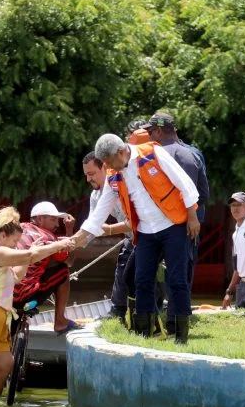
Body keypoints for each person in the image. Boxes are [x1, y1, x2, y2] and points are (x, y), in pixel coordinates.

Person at [72, 134, 200, 344]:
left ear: (121, 152)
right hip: (146, 231)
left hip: (173, 224)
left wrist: (192, 217)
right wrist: (78, 238)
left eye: (111, 162)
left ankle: (181, 336)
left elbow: (183, 182)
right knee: (141, 281)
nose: (110, 167)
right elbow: (99, 212)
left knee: (177, 280)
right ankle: (145, 333)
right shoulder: (114, 174)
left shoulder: (152, 154)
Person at [0, 206, 74, 407]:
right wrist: (56, 245)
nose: (17, 246)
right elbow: (28, 256)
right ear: (2, 235)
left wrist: (33, 251)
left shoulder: (6, 257)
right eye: (14, 242)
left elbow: (18, 275)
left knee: (5, 364)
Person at [142, 112, 210, 333]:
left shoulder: (151, 155)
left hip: (154, 227)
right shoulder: (195, 154)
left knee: (146, 274)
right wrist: (195, 222)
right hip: (186, 226)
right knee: (181, 276)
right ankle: (176, 323)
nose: (149, 136)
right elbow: (203, 193)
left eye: (151, 132)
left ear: (160, 131)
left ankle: (151, 322)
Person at [12, 202, 80, 335]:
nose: (57, 224)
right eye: (53, 219)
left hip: (5, 293)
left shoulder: (19, 228)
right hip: (23, 297)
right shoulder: (48, 238)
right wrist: (69, 231)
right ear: (39, 219)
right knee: (62, 270)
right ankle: (60, 321)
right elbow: (69, 261)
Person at [82, 151, 133, 326]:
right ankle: (118, 311)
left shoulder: (124, 184)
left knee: (140, 273)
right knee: (122, 266)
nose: (88, 179)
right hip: (131, 238)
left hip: (150, 235)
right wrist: (67, 244)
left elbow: (137, 222)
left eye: (91, 174)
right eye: (86, 175)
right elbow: (91, 228)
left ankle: (156, 311)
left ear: (104, 167)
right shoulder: (96, 195)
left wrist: (110, 229)